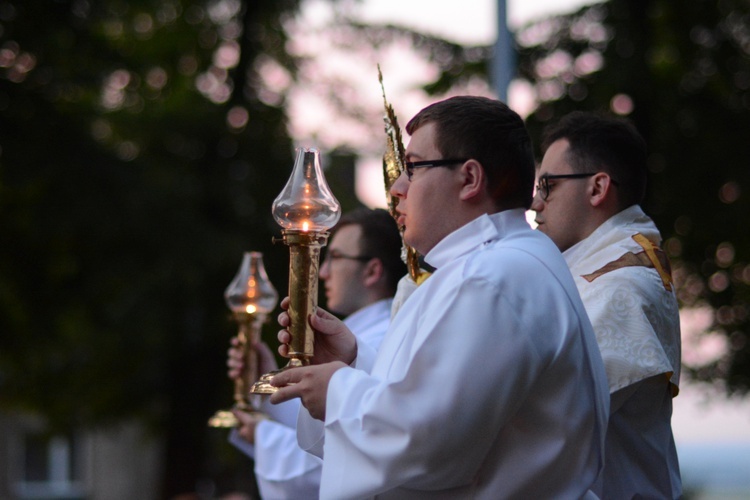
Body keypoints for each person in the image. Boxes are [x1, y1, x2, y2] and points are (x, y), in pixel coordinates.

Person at [268, 96, 610, 498]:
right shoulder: (496, 265)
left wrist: (339, 390)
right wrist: (352, 360)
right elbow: (444, 404)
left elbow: (426, 443)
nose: (397, 189)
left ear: (469, 179)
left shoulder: (493, 278)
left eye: (412, 168)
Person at [531, 111, 682, 498]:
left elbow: (542, 415)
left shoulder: (620, 285)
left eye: (547, 185)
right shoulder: (605, 270)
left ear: (597, 188)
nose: (535, 202)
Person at [227, 207, 406, 499]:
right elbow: (318, 424)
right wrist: (268, 381)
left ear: (372, 270)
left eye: (335, 258)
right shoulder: (356, 334)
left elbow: (336, 457)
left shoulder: (385, 335)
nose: (323, 272)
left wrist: (262, 436)